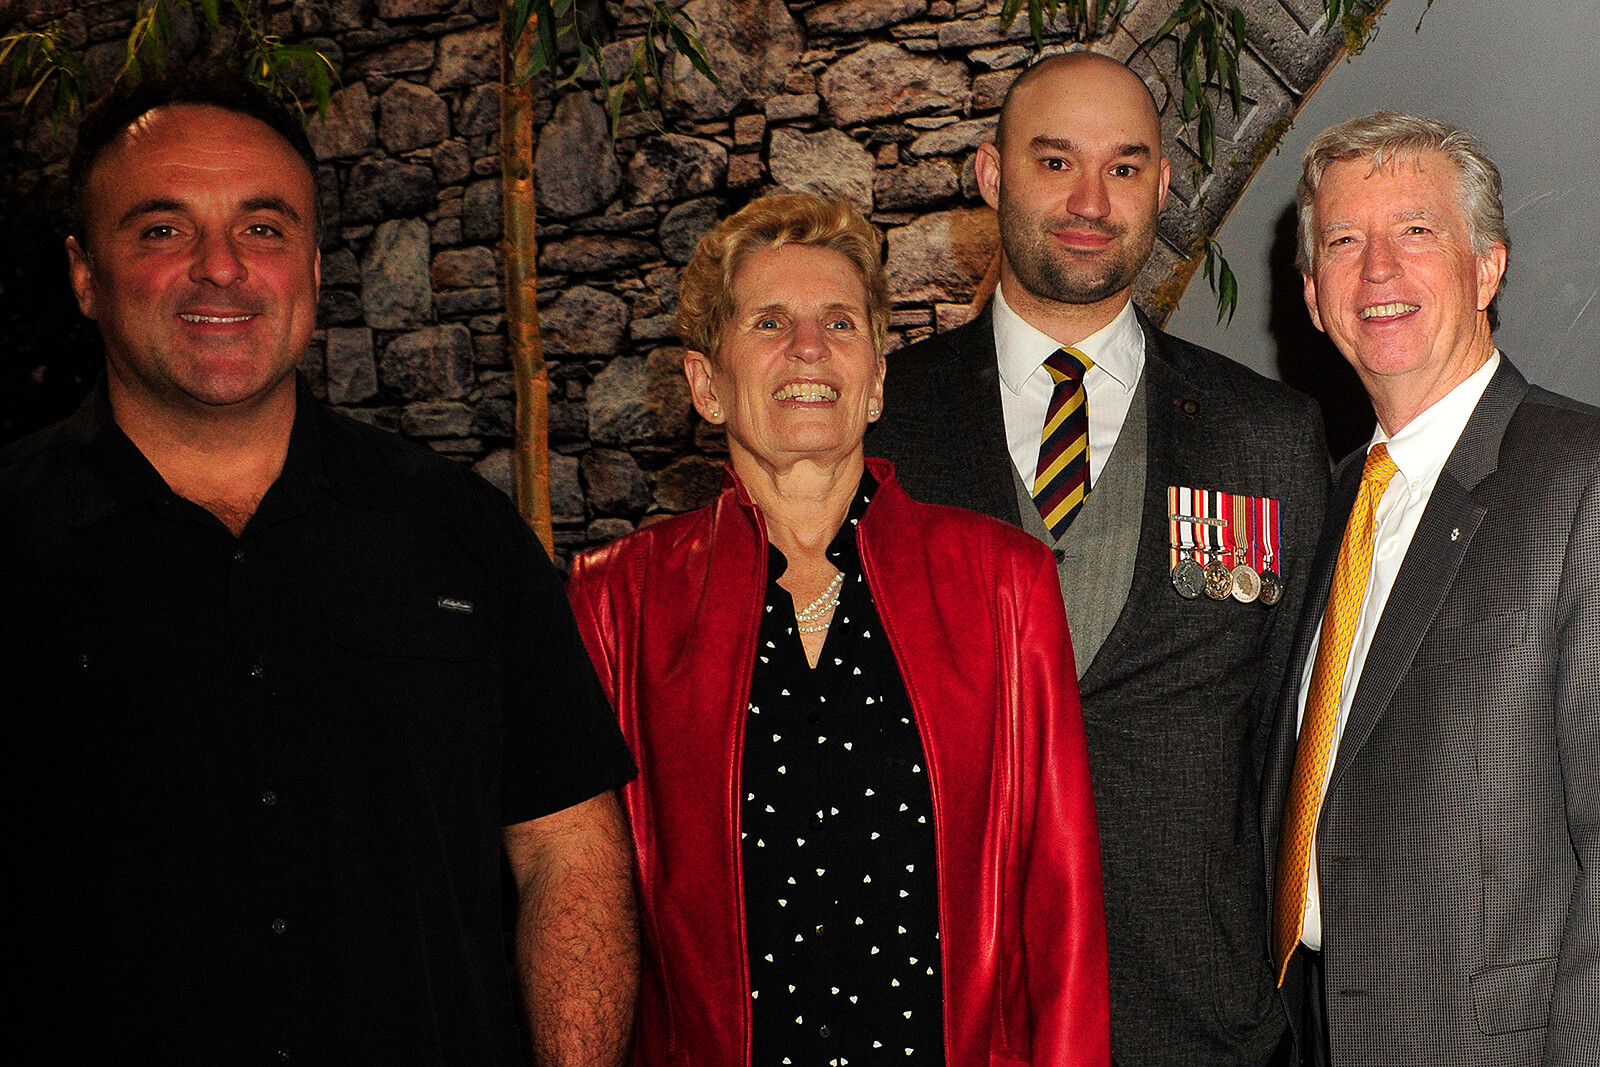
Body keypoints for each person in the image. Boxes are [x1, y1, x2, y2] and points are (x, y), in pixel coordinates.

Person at [0, 69, 640, 1064]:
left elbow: (567, 849)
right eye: (163, 230)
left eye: (263, 228)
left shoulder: (460, 531)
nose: (222, 268)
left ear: (310, 260)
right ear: (85, 272)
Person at [565, 193, 1112, 1065]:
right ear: (707, 385)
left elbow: (1064, 904)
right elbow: (589, 914)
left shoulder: (1003, 582)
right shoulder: (616, 604)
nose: (809, 348)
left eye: (840, 323)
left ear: (878, 379)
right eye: (770, 321)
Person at [867, 52, 1329, 1065]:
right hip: (943, 1014)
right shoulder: (877, 425)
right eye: (1054, 162)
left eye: (1123, 168)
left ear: (1162, 188)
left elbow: (1288, 761)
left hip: (1197, 1023)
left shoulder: (1270, 437)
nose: (1090, 200)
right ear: (990, 174)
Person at [1260, 111, 1598, 1065]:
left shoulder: (1582, 480)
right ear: (1315, 297)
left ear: (1487, 266)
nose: (1378, 271)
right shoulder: (1330, 504)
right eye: (1343, 242)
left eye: (1415, 232)